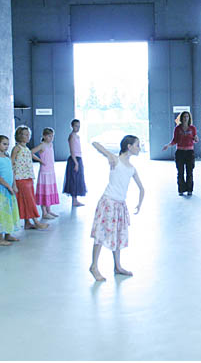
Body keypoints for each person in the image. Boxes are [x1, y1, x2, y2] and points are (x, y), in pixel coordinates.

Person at [89, 135, 145, 282]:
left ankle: (117, 266)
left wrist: (139, 204)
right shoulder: (115, 160)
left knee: (118, 235)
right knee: (100, 234)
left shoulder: (132, 169)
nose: (139, 148)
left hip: (120, 205)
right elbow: (95, 143)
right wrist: (108, 155)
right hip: (108, 202)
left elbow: (142, 188)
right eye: (137, 145)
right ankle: (94, 266)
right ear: (129, 146)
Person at [11, 126, 48, 230]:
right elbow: (12, 163)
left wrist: (40, 161)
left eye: (28, 135)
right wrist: (13, 182)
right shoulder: (17, 148)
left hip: (28, 177)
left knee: (28, 199)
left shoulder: (26, 149)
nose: (28, 137)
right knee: (29, 200)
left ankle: (27, 222)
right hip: (20, 178)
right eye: (25, 134)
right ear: (19, 135)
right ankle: (36, 221)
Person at [0, 135, 21, 246]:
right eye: (4, 144)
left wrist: (14, 185)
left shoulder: (7, 157)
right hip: (1, 189)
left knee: (10, 210)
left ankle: (8, 234)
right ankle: (0, 238)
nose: (6, 146)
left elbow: (12, 171)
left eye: (8, 144)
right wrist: (7, 186)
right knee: (1, 211)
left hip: (9, 188)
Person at [162, 111, 199, 196]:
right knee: (180, 172)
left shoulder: (192, 128)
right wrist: (168, 145)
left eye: (187, 116)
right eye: (184, 117)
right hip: (180, 153)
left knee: (189, 172)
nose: (185, 118)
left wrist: (196, 139)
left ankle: (189, 189)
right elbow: (174, 140)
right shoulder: (177, 128)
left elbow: (195, 139)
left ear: (189, 118)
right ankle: (181, 190)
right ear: (181, 118)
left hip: (190, 153)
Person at [33, 127, 60, 219]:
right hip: (44, 172)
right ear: (44, 136)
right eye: (49, 136)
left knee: (49, 190)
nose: (51, 138)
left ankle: (49, 210)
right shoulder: (42, 145)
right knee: (44, 191)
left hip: (51, 171)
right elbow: (30, 152)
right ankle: (44, 212)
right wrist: (39, 160)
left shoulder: (50, 144)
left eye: (52, 136)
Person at [63, 119, 87, 207]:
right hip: (74, 160)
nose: (78, 128)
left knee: (77, 179)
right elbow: (72, 151)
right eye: (76, 126)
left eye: (79, 126)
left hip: (78, 159)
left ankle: (75, 200)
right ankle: (74, 200)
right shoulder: (72, 136)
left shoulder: (76, 136)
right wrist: (76, 163)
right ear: (72, 126)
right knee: (74, 180)